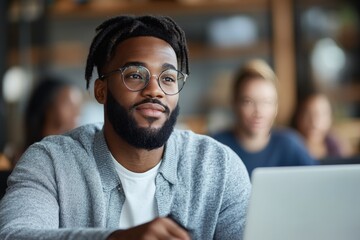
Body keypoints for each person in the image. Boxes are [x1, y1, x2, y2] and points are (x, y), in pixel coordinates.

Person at [0, 15, 251, 240]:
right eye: (134, 75)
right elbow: (14, 235)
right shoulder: (50, 163)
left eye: (168, 78)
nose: (155, 90)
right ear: (101, 90)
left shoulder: (219, 167)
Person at [212, 59, 315, 177]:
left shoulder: (289, 145)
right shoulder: (216, 148)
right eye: (248, 102)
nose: (259, 112)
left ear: (276, 107)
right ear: (234, 104)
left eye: (266, 102)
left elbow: (319, 185)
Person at [24, 76, 83, 149]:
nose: (77, 113)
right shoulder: (20, 155)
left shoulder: (74, 151)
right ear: (48, 106)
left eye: (77, 107)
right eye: (69, 104)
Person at [291, 92, 348, 160]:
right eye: (308, 114)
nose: (314, 122)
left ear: (330, 118)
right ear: (298, 117)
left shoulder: (337, 148)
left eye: (321, 115)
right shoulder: (289, 149)